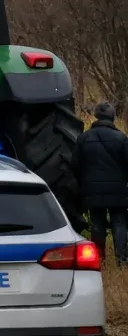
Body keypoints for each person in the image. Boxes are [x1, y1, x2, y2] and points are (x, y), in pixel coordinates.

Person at [72, 102, 128, 264]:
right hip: (118, 190)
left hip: (92, 190)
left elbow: (75, 164)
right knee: (119, 222)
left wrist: (83, 183)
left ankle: (99, 259)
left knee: (97, 222)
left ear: (96, 117)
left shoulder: (83, 138)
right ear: (112, 117)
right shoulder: (121, 138)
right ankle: (122, 260)